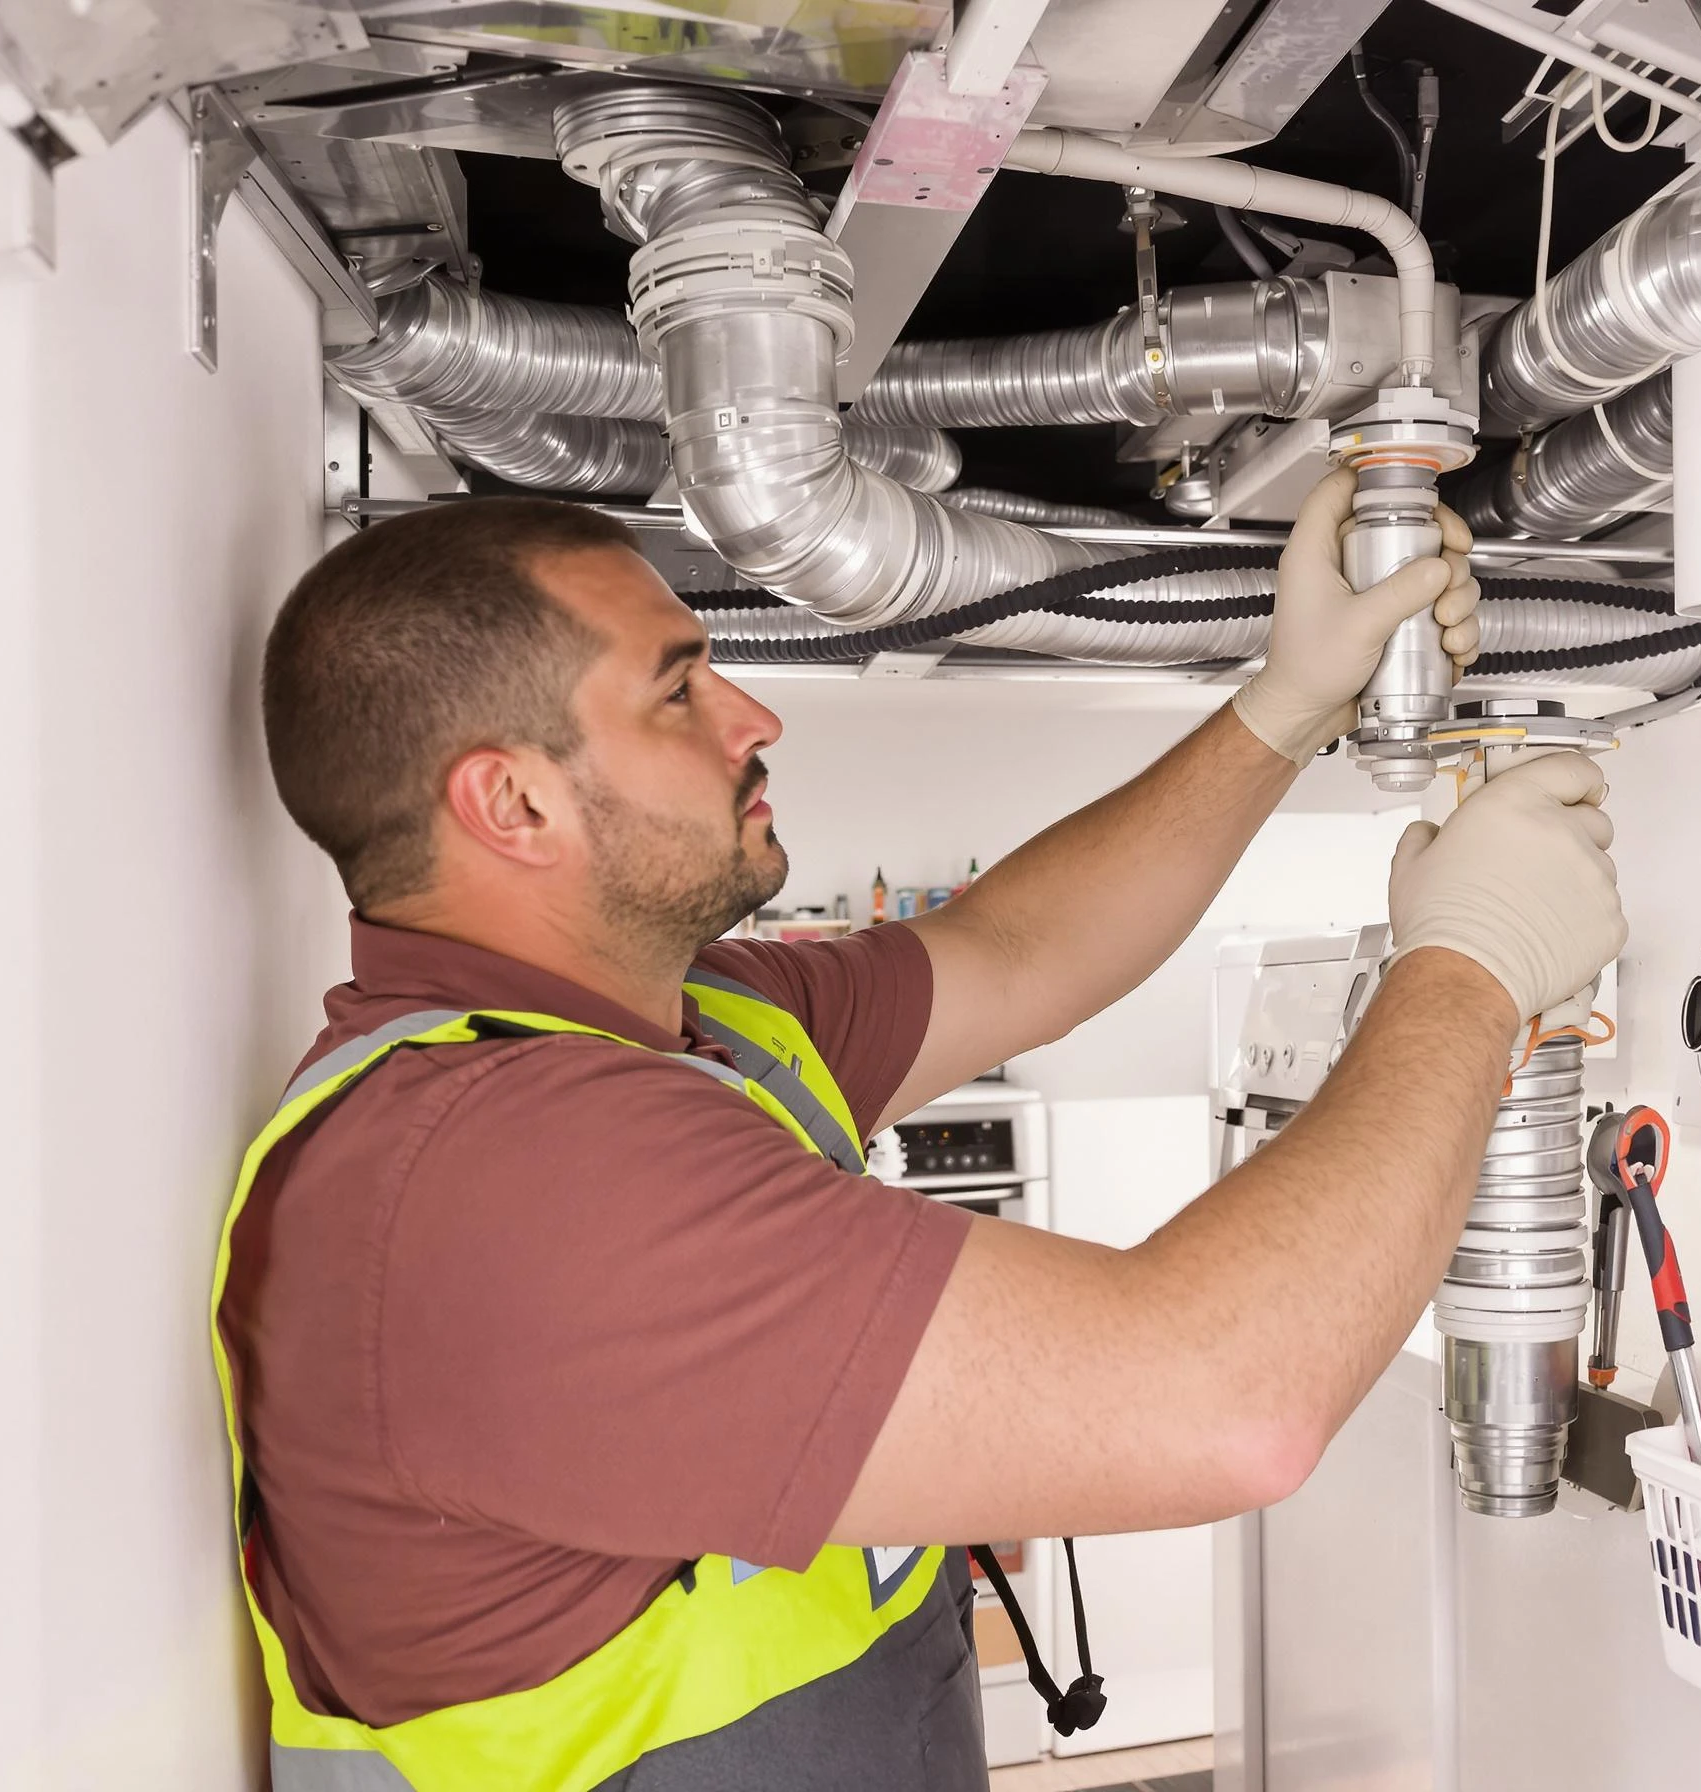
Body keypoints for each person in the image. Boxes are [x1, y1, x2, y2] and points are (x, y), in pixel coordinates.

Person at [221, 469, 1627, 1791]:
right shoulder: (498, 1183)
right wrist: (1470, 966)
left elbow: (1018, 949)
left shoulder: (689, 1017)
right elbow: (1225, 1405)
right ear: (512, 801)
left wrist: (1284, 707)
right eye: (678, 689)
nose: (753, 717)